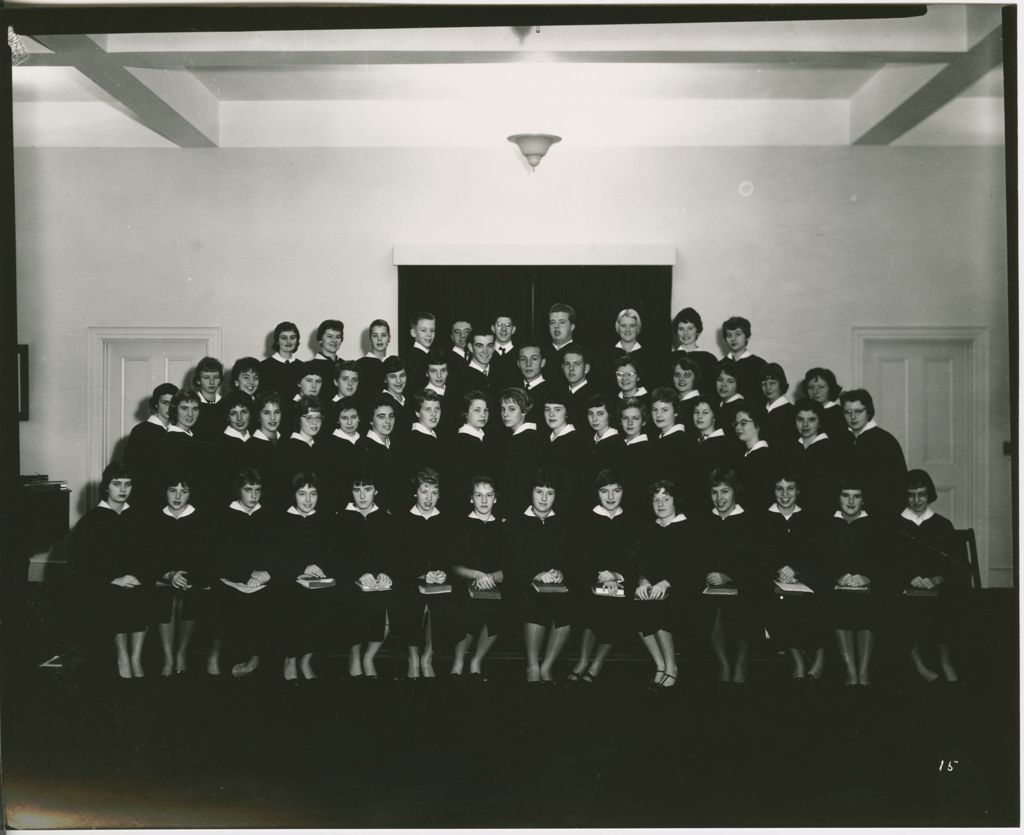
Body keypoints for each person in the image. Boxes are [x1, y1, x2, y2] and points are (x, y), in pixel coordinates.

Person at [69, 463, 153, 679]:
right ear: (106, 487)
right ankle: (123, 657)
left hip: (136, 579)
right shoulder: (91, 521)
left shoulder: (139, 518)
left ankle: (136, 658)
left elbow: (151, 553)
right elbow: (82, 563)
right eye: (117, 484)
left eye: (128, 484)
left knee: (143, 593)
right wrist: (113, 579)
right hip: (106, 583)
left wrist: (140, 576)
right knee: (118, 598)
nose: (123, 489)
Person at [894, 469, 967, 683]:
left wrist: (937, 579)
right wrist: (908, 578)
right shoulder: (895, 525)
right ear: (905, 495)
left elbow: (958, 564)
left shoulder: (942, 525)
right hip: (906, 585)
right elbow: (887, 562)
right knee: (898, 602)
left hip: (937, 585)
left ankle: (945, 660)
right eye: (911, 494)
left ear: (930, 495)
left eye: (922, 494)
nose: (917, 500)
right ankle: (919, 664)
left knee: (951, 599)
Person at [567, 470, 637, 684]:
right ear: (597, 493)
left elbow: (635, 559)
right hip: (591, 579)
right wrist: (600, 575)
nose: (611, 496)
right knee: (591, 605)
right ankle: (583, 660)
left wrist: (616, 575)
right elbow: (579, 556)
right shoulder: (586, 518)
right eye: (605, 491)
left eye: (616, 491)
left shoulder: (631, 521)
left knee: (616, 608)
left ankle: (597, 662)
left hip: (622, 582)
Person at [823, 477, 892, 686]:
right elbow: (820, 558)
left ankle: (863, 671)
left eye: (857, 496)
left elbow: (883, 560)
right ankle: (850, 670)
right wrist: (838, 576)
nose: (851, 502)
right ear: (838, 498)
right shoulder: (828, 525)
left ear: (864, 500)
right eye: (845, 496)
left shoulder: (876, 525)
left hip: (868, 587)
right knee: (838, 603)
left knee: (869, 604)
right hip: (836, 586)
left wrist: (866, 576)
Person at [506, 471, 573, 684]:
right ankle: (532, 666)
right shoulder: (516, 521)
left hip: (556, 585)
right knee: (535, 605)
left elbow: (571, 558)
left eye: (550, 493)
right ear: (530, 493)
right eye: (539, 492)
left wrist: (561, 572)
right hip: (524, 583)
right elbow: (510, 561)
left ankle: (547, 667)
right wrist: (535, 575)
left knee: (565, 609)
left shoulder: (562, 523)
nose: (544, 499)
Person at [207, 468, 275, 678]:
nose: (254, 495)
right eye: (248, 490)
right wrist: (248, 573)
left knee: (269, 600)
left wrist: (266, 572)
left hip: (260, 578)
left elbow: (275, 550)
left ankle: (254, 660)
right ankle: (214, 654)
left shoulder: (267, 515)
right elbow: (220, 556)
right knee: (225, 599)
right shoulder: (225, 516)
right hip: (232, 577)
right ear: (239, 491)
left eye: (257, 490)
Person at [761, 470, 826, 681]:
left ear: (798, 491)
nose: (785, 494)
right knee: (780, 606)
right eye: (779, 489)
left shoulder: (810, 519)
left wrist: (797, 570)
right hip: (774, 583)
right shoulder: (763, 518)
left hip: (804, 582)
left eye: (790, 489)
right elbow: (757, 554)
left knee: (810, 604)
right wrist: (777, 571)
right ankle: (797, 658)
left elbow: (818, 556)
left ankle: (819, 653)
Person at [396, 468, 459, 679]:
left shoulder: (447, 520)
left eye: (434, 492)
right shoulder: (403, 519)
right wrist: (423, 575)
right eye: (424, 491)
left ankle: (427, 657)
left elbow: (451, 557)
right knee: (413, 603)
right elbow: (399, 560)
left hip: (439, 583)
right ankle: (413, 658)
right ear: (415, 492)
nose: (429, 497)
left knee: (441, 603)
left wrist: (442, 573)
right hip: (410, 580)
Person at [702, 468, 762, 685]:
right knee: (708, 607)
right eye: (714, 492)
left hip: (743, 583)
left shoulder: (751, 520)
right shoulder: (704, 521)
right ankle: (723, 663)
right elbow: (696, 557)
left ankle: (740, 663)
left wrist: (729, 575)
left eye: (725, 491)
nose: (719, 498)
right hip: (710, 586)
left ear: (735, 491)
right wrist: (708, 575)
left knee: (745, 604)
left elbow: (758, 562)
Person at [277, 472, 338, 682]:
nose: (308, 499)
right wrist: (301, 568)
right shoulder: (282, 520)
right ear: (293, 496)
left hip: (317, 581)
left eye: (313, 493)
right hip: (289, 579)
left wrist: (321, 567)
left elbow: (333, 554)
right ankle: (290, 659)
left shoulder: (325, 520)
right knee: (291, 600)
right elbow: (276, 557)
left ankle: (306, 659)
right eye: (302, 494)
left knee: (329, 599)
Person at [337, 470, 397, 680]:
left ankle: (369, 656)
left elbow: (393, 555)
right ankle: (354, 655)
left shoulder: (386, 519)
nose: (362, 496)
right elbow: (337, 557)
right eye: (357, 490)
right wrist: (358, 574)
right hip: (351, 580)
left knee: (392, 606)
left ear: (376, 491)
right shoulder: (341, 519)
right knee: (352, 602)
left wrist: (386, 573)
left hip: (379, 582)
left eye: (368, 490)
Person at [635, 480, 694, 689]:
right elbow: (642, 562)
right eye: (656, 499)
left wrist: (667, 582)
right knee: (637, 603)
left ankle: (671, 667)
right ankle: (660, 664)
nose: (660, 504)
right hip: (656, 587)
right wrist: (643, 581)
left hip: (684, 589)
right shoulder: (650, 528)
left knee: (657, 606)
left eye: (665, 499)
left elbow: (690, 567)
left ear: (675, 502)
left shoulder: (687, 528)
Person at [153, 472, 212, 677]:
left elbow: (204, 555)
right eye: (172, 490)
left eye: (184, 491)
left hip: (192, 577)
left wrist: (187, 576)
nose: (178, 496)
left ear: (191, 494)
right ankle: (168, 657)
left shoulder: (201, 518)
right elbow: (152, 555)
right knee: (165, 595)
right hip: (163, 577)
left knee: (191, 596)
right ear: (164, 492)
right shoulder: (155, 518)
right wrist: (169, 574)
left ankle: (181, 653)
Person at [450, 475, 507, 679]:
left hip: (495, 583)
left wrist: (490, 577)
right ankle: (457, 662)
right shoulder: (460, 524)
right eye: (479, 495)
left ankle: (476, 661)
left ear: (496, 499)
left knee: (502, 608)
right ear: (470, 498)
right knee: (464, 606)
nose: (484, 501)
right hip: (465, 582)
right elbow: (454, 566)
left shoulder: (503, 527)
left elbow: (511, 566)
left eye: (489, 495)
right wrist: (476, 575)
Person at [839, 388, 908, 519]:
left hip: (879, 515)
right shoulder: (842, 440)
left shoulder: (885, 441)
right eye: (848, 412)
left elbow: (898, 487)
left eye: (858, 411)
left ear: (869, 412)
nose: (853, 417)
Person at [124, 382, 178, 511]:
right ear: (155, 404)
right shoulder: (141, 431)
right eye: (165, 403)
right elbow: (132, 470)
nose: (170, 407)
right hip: (147, 500)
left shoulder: (177, 431)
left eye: (173, 403)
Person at [784, 398, 840, 520]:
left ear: (820, 422)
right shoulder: (790, 449)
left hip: (821, 514)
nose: (805, 425)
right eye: (800, 419)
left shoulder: (830, 450)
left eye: (811, 419)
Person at [160, 388, 210, 509]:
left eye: (195, 409)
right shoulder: (169, 441)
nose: (190, 414)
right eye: (184, 408)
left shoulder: (196, 439)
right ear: (175, 411)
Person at [497, 387, 542, 517]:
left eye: (512, 409)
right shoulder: (517, 438)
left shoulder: (528, 440)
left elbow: (523, 485)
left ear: (524, 411)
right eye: (503, 409)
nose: (505, 414)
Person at [648, 387, 693, 508]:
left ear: (676, 412)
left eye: (665, 410)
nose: (658, 415)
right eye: (654, 410)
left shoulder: (681, 441)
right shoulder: (659, 439)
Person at [276, 396, 324, 508]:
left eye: (318, 418)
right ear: (298, 419)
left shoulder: (318, 447)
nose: (314, 422)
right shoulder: (288, 448)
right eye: (308, 418)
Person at [356, 395, 400, 513]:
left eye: (391, 416)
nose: (388, 421)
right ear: (371, 420)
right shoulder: (363, 447)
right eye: (381, 417)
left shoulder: (395, 445)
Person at [689, 397, 735, 510]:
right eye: (696, 412)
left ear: (714, 417)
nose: (699, 416)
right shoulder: (693, 442)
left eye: (705, 412)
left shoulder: (723, 444)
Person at [319, 396, 362, 513]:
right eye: (344, 418)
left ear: (359, 418)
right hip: (341, 507)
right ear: (337, 419)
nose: (349, 422)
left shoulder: (365, 442)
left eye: (353, 417)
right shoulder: (328, 445)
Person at [451, 390, 493, 504]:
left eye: (485, 410)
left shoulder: (484, 438)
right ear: (465, 413)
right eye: (477, 410)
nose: (483, 414)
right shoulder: (461, 442)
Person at [243, 391, 283, 510]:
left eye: (277, 412)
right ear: (258, 416)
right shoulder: (249, 448)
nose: (273, 418)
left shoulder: (288, 443)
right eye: (266, 413)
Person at [212, 390, 253, 507]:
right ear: (227, 416)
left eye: (244, 412)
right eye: (233, 413)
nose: (239, 418)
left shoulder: (255, 442)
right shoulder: (219, 445)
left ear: (250, 413)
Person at [734, 405, 776, 512]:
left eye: (743, 423)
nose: (738, 427)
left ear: (757, 425)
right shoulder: (746, 455)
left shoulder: (764, 457)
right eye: (736, 423)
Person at [670, 307, 718, 395]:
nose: (685, 333)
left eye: (690, 328)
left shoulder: (709, 359)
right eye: (681, 329)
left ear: (697, 330)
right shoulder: (669, 358)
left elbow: (712, 391)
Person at [721, 316, 766, 406]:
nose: (733, 339)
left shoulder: (760, 365)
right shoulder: (720, 365)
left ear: (747, 337)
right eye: (729, 335)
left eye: (738, 334)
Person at [619, 396, 653, 514]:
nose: (629, 423)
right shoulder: (618, 447)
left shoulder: (649, 450)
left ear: (643, 421)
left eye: (635, 418)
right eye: (625, 418)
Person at [584, 393, 625, 489]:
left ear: (609, 414)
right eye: (590, 414)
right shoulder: (588, 441)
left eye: (600, 413)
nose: (594, 419)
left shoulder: (617, 443)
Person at [603, 308, 649, 391]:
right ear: (618, 327)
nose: (627, 330)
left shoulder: (649, 355)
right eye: (623, 326)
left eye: (632, 326)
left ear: (638, 327)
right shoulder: (606, 355)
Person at [517, 342, 560, 426]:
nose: (528, 364)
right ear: (518, 364)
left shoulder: (553, 392)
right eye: (523, 359)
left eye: (534, 359)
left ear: (543, 362)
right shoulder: (513, 390)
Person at [259, 321, 301, 397]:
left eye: (292, 337)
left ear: (297, 340)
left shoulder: (303, 367)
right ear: (277, 341)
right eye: (284, 338)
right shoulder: (263, 367)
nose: (289, 341)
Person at [803, 367, 846, 441]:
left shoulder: (839, 414)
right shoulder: (804, 413)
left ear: (831, 389)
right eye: (811, 387)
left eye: (821, 387)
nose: (815, 391)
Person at [356, 319, 393, 403]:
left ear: (389, 338)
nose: (379, 339)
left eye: (383, 335)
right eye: (375, 335)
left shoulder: (393, 363)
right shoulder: (359, 365)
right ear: (370, 338)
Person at [760, 363, 796, 446]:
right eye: (764, 383)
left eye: (772, 383)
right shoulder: (760, 410)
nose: (768, 388)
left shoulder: (791, 412)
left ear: (781, 384)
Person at [562, 346, 596, 429]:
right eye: (567, 364)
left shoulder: (594, 397)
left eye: (576, 364)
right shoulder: (560, 394)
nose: (571, 368)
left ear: (586, 368)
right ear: (562, 367)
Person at [310, 319, 344, 401]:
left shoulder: (345, 365)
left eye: (338, 337)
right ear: (320, 339)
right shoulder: (310, 367)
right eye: (329, 336)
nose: (334, 340)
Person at [192, 356, 225, 441]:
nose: (212, 382)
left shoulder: (226, 404)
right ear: (198, 380)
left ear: (220, 379)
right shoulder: (192, 405)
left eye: (216, 377)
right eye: (206, 377)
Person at [381, 356, 413, 440]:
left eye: (402, 375)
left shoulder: (409, 402)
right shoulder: (382, 403)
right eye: (393, 376)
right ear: (385, 379)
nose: (398, 381)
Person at [404, 311, 436, 391]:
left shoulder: (431, 355)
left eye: (432, 330)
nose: (429, 334)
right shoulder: (412, 358)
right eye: (424, 330)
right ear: (413, 333)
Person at [542, 302, 579, 370]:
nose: (556, 326)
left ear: (572, 327)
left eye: (562, 322)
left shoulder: (584, 355)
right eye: (552, 322)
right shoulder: (540, 354)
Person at [714, 359, 747, 434]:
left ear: (738, 384)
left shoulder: (741, 407)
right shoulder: (718, 404)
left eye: (730, 381)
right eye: (720, 379)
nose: (723, 384)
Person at [489, 311, 519, 391]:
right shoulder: (485, 353)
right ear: (493, 328)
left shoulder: (520, 354)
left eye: (508, 325)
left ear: (513, 329)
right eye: (499, 325)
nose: (503, 329)